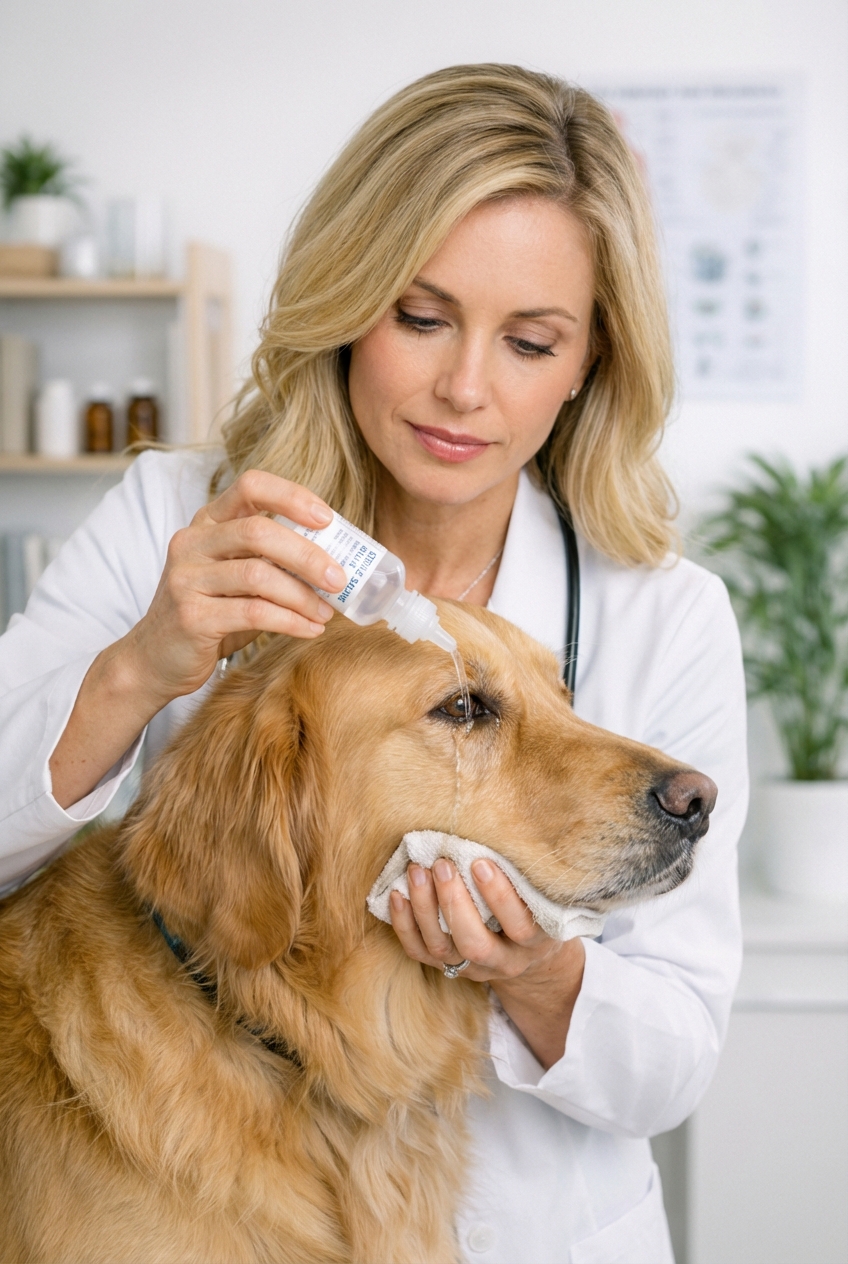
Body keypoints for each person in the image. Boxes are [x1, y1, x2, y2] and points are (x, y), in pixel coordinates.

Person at [0, 64, 747, 1262]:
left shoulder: (664, 611)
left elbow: (672, 1056)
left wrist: (539, 970)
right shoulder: (169, 519)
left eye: (529, 340)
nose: (464, 387)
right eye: (419, 315)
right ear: (347, 302)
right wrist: (138, 667)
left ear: (588, 360)